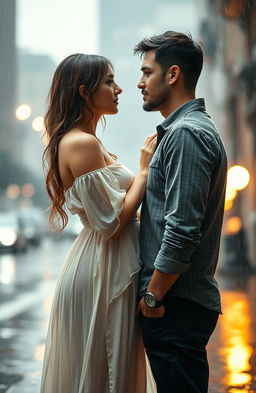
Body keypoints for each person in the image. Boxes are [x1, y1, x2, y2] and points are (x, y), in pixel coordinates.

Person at [40, 53, 157, 393]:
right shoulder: (81, 143)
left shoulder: (87, 141)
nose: (119, 89)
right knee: (106, 371)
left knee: (108, 370)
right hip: (101, 271)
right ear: (83, 92)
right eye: (108, 81)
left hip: (106, 265)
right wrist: (144, 171)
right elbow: (110, 224)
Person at [134, 31, 227, 393]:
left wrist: (152, 297)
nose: (139, 83)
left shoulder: (186, 133)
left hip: (174, 304)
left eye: (147, 72)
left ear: (172, 75)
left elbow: (183, 228)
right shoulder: (182, 131)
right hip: (177, 304)